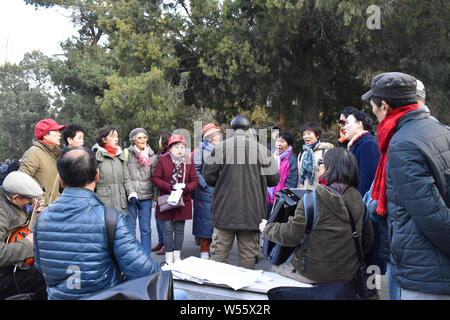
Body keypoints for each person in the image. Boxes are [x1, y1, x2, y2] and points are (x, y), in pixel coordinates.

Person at [362, 71, 450, 300]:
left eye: (373, 104)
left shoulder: (401, 143)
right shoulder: (441, 130)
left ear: (384, 106)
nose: (372, 111)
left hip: (424, 274)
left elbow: (432, 216)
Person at [32, 147, 163, 300]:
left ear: (61, 179)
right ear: (97, 175)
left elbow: (40, 266)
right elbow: (144, 270)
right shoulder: (110, 218)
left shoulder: (42, 218)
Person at [260, 147, 374, 284]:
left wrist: (267, 227)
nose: (319, 165)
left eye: (322, 162)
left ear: (329, 169)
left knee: (276, 268)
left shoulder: (312, 200)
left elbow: (290, 235)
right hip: (348, 272)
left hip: (312, 273)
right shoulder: (359, 201)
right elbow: (368, 241)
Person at [202, 115, 280, 270]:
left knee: (219, 255)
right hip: (252, 213)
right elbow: (274, 180)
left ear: (231, 130)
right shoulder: (262, 150)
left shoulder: (220, 148)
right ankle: (244, 292)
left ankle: (218, 291)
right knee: (248, 257)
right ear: (249, 129)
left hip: (225, 211)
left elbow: (208, 177)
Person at [152, 134, 198, 265]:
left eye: (182, 147)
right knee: (167, 229)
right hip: (167, 198)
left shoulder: (188, 160)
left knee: (179, 229)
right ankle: (168, 258)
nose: (180, 149)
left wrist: (187, 189)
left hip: (183, 199)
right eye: (176, 146)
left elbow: (194, 180)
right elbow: (156, 178)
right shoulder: (163, 160)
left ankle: (177, 257)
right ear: (170, 148)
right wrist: (169, 187)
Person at [0, 171, 46, 299]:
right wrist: (27, 244)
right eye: (28, 200)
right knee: (47, 274)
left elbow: (16, 225)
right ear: (15, 197)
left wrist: (33, 214)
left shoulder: (9, 201)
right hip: (4, 276)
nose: (31, 202)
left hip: (14, 266)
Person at [94, 126, 140, 215]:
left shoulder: (120, 155)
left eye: (117, 136)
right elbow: (92, 183)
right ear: (103, 139)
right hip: (103, 205)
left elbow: (126, 179)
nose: (116, 139)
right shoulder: (95, 156)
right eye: (112, 136)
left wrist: (132, 195)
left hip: (121, 205)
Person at [125, 128, 157, 255]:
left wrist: (155, 198)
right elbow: (124, 176)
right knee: (130, 229)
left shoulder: (152, 156)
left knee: (146, 229)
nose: (143, 140)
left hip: (146, 197)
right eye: (139, 138)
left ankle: (146, 257)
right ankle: (132, 256)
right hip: (131, 197)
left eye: (144, 137)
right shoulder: (126, 154)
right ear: (133, 140)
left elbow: (155, 178)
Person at [19, 118, 66, 206]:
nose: (59, 134)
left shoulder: (54, 155)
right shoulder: (34, 153)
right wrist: (34, 201)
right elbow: (21, 182)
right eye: (55, 131)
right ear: (45, 135)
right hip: (38, 211)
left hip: (50, 210)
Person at [192, 123, 222, 259]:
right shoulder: (200, 151)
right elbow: (196, 170)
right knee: (205, 226)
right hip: (205, 193)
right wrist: (206, 185)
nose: (219, 137)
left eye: (219, 135)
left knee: (217, 226)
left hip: (219, 191)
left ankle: (215, 255)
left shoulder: (221, 150)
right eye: (216, 135)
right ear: (209, 137)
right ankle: (204, 255)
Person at [343, 110, 380, 196]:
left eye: (347, 123)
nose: (344, 127)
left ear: (359, 124)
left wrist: (358, 205)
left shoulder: (368, 144)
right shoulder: (355, 145)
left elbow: (368, 182)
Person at [267, 131, 298, 216]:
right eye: (277, 141)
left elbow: (291, 183)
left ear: (289, 144)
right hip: (268, 199)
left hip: (282, 202)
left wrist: (280, 199)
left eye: (282, 141)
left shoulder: (292, 160)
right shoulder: (271, 156)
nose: (279, 144)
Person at [151, 130, 171, 256]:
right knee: (157, 217)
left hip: (166, 190)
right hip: (159, 191)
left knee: (164, 219)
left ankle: (167, 244)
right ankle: (161, 241)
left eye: (160, 140)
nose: (158, 142)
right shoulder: (161, 154)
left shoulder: (169, 155)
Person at [297, 121, 333, 190]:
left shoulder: (326, 152)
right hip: (303, 195)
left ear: (317, 135)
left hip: (319, 194)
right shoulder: (301, 154)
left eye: (309, 133)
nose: (306, 136)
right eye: (304, 134)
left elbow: (331, 175)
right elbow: (299, 178)